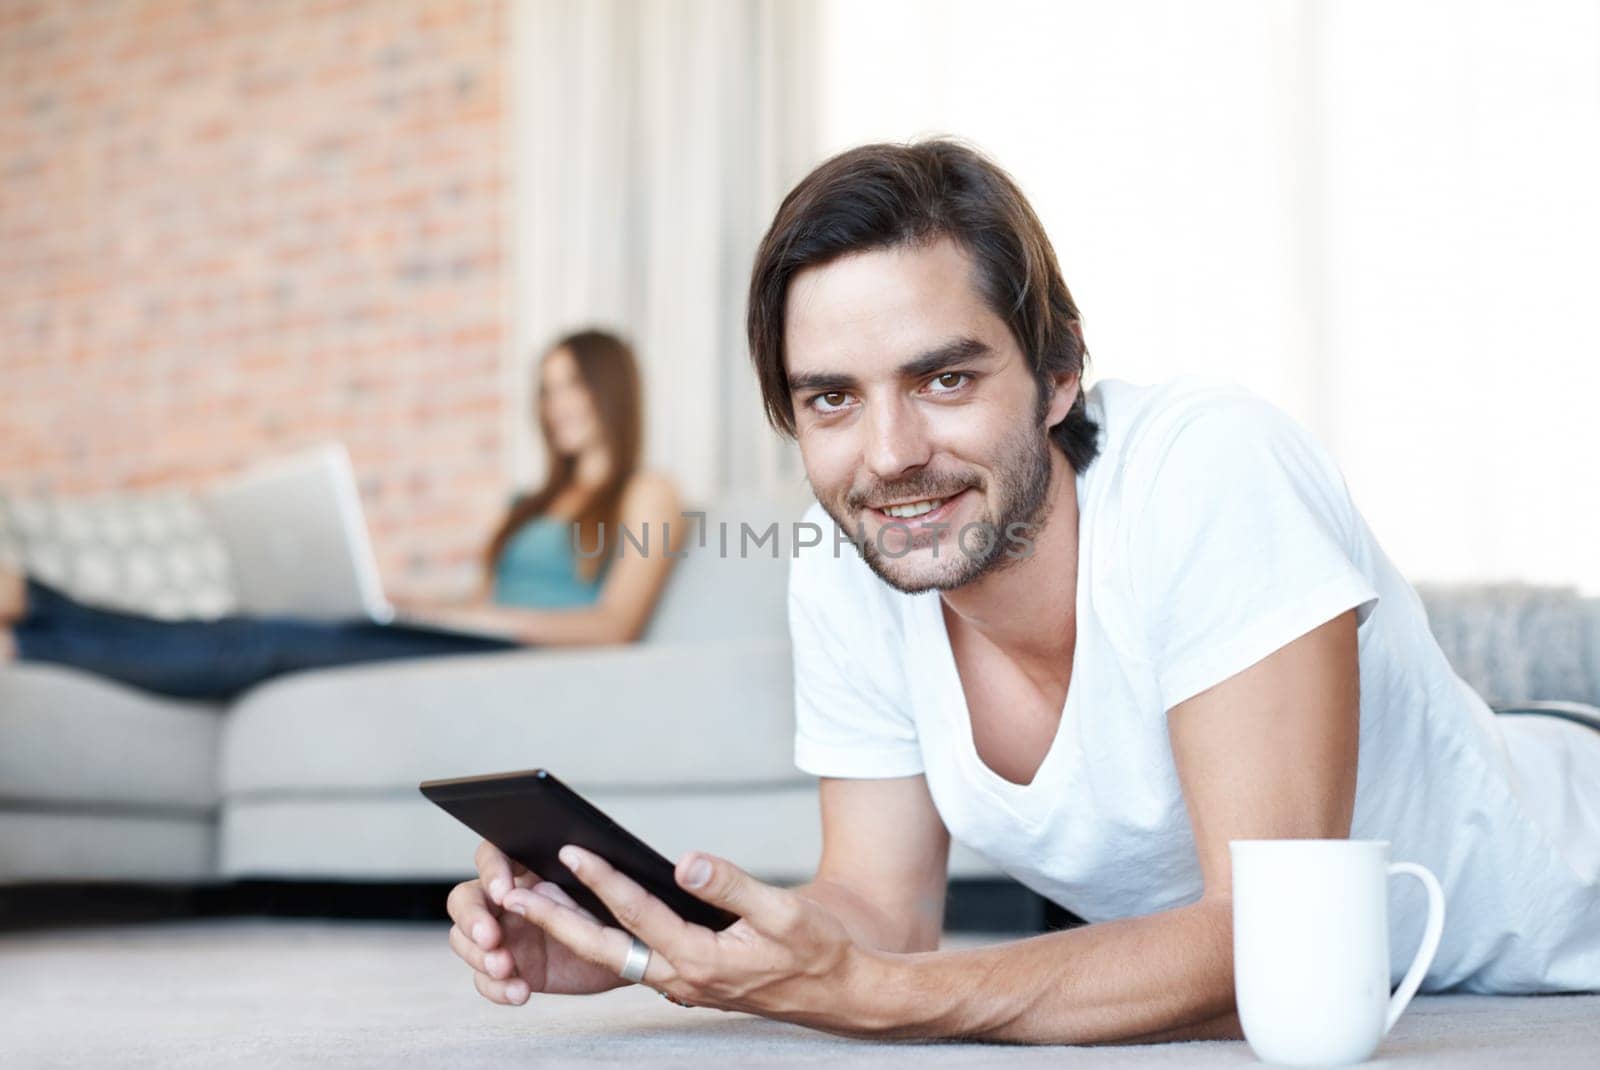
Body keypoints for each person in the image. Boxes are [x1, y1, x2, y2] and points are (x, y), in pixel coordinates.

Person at [445, 141, 1600, 1042]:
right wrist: (653, 939)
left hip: (1563, 896)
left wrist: (892, 997)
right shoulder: (840, 560)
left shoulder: (1210, 466)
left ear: (1056, 373)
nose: (889, 453)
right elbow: (880, 912)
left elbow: (1265, 941)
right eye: (831, 399)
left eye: (944, 377)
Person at [0, 329, 684, 701]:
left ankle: (34, 635)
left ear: (610, 389)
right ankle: (41, 601)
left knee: (269, 643)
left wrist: (469, 619)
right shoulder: (526, 504)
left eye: (573, 384)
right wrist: (414, 603)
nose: (556, 402)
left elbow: (614, 625)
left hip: (517, 657)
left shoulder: (647, 492)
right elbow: (482, 598)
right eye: (546, 388)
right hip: (468, 640)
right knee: (246, 625)